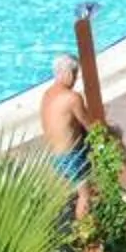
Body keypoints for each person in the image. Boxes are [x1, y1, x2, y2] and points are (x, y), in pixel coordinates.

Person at [38, 54, 88, 182]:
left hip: (55, 157)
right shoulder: (72, 97)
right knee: (85, 198)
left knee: (88, 191)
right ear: (69, 73)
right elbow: (90, 125)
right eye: (76, 74)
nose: (76, 79)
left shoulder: (47, 94)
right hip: (71, 157)